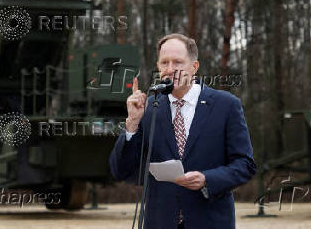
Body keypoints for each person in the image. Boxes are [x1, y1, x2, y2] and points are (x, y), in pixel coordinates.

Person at [109, 34, 256, 229]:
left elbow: (245, 165)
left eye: (178, 62)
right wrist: (132, 124)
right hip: (159, 222)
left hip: (210, 221)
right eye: (164, 63)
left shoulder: (226, 105)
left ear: (194, 67)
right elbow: (121, 170)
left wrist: (207, 179)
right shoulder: (148, 107)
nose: (170, 69)